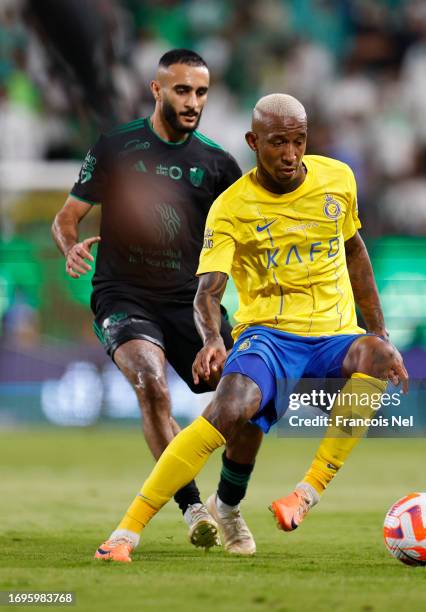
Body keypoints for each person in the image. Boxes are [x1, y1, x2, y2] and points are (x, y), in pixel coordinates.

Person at [93, 92, 408, 562]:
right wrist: (213, 338)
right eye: (278, 142)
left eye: (299, 142)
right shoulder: (231, 208)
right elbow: (207, 291)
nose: (290, 155)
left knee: (379, 358)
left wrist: (379, 332)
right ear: (252, 141)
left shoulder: (337, 179)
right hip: (269, 335)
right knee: (231, 410)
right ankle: (128, 532)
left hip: (333, 335)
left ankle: (306, 493)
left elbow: (355, 251)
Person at [52, 49, 262, 553]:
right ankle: (192, 507)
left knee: (250, 401)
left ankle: (227, 505)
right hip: (123, 295)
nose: (193, 102)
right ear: (157, 89)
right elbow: (67, 216)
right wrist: (71, 246)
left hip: (191, 303)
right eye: (182, 90)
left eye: (201, 92)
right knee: (150, 384)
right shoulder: (116, 147)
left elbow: (249, 239)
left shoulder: (217, 164)